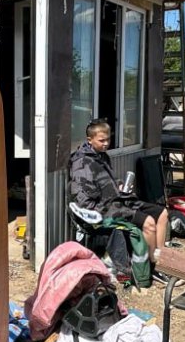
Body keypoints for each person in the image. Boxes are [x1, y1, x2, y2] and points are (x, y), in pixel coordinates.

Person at [69, 119, 170, 284]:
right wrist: (102, 210)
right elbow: (83, 198)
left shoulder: (102, 156)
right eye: (101, 140)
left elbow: (108, 180)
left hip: (118, 199)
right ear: (89, 140)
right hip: (103, 209)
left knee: (162, 213)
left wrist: (119, 186)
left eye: (108, 139)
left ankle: (161, 261)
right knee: (149, 223)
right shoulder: (81, 162)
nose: (106, 143)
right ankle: (151, 268)